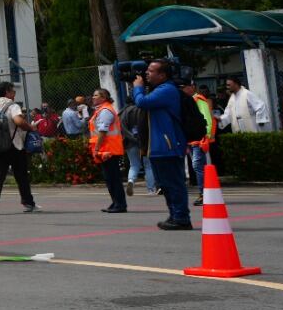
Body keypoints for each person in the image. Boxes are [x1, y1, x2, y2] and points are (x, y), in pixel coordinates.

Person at [133, 59, 191, 230]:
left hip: (168, 146)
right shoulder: (159, 90)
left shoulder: (167, 90)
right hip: (158, 146)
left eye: (151, 71)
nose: (147, 73)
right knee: (165, 185)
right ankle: (174, 215)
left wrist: (137, 87)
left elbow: (142, 102)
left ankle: (181, 217)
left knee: (174, 184)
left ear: (162, 75)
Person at [0, 82, 40, 215]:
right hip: (15, 145)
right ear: (7, 92)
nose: (14, 94)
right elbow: (19, 121)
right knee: (21, 175)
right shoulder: (13, 106)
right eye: (13, 91)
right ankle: (28, 203)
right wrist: (30, 127)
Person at [89, 88, 127, 212]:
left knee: (113, 178)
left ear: (103, 97)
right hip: (106, 149)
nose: (93, 97)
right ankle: (116, 202)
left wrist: (97, 148)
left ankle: (120, 204)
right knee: (110, 178)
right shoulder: (101, 110)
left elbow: (103, 131)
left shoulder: (105, 111)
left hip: (109, 150)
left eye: (96, 95)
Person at [182, 79, 217, 204]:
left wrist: (205, 136)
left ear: (192, 87)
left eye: (185, 87)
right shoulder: (186, 101)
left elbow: (207, 119)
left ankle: (204, 194)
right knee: (199, 166)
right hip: (191, 140)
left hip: (199, 140)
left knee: (198, 166)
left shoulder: (198, 100)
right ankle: (207, 193)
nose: (183, 90)